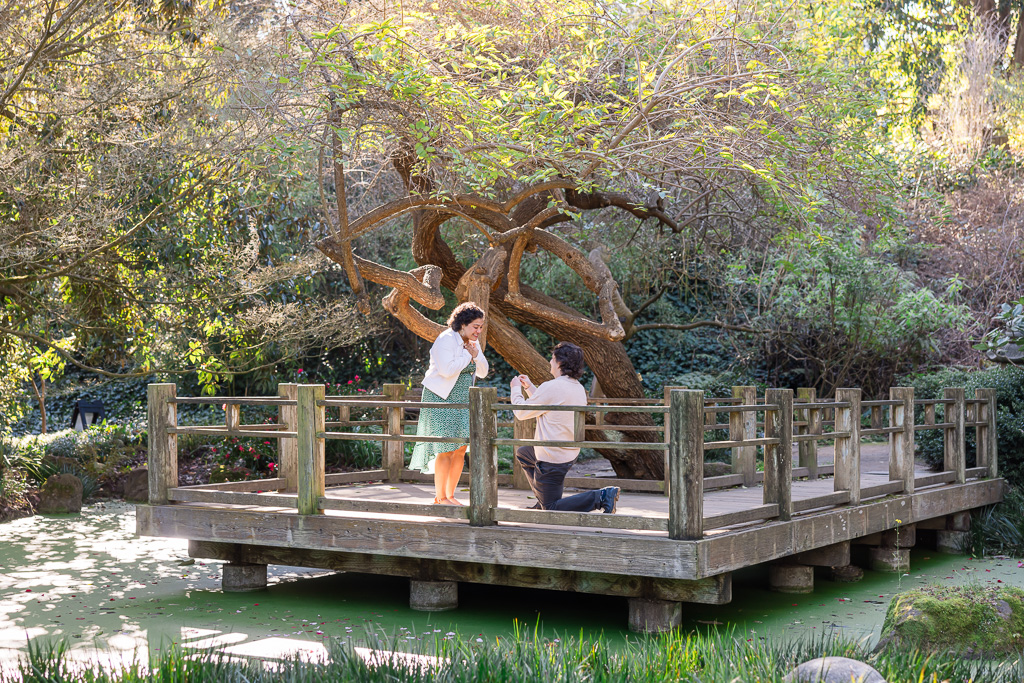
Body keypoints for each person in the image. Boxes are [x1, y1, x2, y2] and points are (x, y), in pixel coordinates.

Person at [510, 342, 619, 513]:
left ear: (560, 362)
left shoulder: (553, 387)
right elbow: (547, 403)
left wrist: (515, 390)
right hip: (568, 452)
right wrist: (529, 388)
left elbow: (522, 412)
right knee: (524, 453)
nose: (550, 363)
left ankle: (601, 496)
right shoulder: (577, 388)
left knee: (551, 508)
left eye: (552, 359)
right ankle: (542, 496)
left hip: (552, 457)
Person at [409, 302, 489, 505]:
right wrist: (467, 355)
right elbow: (447, 370)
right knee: (445, 448)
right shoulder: (445, 339)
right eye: (475, 326)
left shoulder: (473, 343)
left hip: (463, 400)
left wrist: (476, 355)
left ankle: (451, 496)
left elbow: (483, 371)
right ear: (462, 324)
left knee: (460, 448)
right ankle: (440, 497)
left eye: (481, 327)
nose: (479, 331)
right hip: (441, 398)